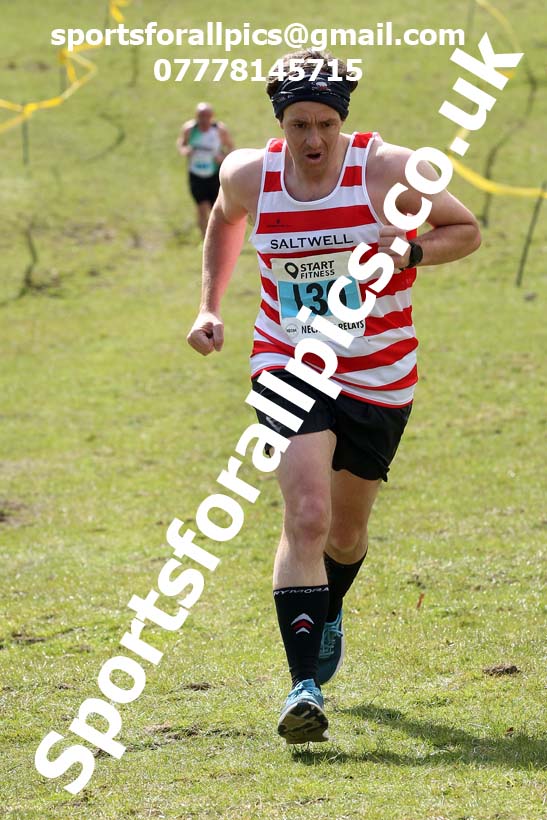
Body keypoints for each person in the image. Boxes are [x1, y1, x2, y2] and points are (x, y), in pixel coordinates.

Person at [187, 50, 481, 745]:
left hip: (379, 372)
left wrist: (408, 254)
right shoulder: (247, 174)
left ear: (342, 121)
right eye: (297, 126)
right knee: (308, 514)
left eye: (323, 124)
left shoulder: (387, 170)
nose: (312, 140)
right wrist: (207, 306)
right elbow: (225, 221)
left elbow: (464, 230)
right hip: (287, 360)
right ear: (279, 125)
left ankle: (326, 612)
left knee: (346, 534)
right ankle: (302, 688)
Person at [177, 102, 234, 237]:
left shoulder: (219, 130)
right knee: (202, 208)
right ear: (196, 116)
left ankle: (220, 237)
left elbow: (231, 147)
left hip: (214, 174)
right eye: (201, 116)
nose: (204, 119)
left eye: (207, 116)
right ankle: (205, 239)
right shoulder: (190, 129)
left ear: (212, 116)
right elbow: (181, 143)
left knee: (217, 208)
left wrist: (222, 157)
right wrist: (184, 150)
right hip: (196, 174)